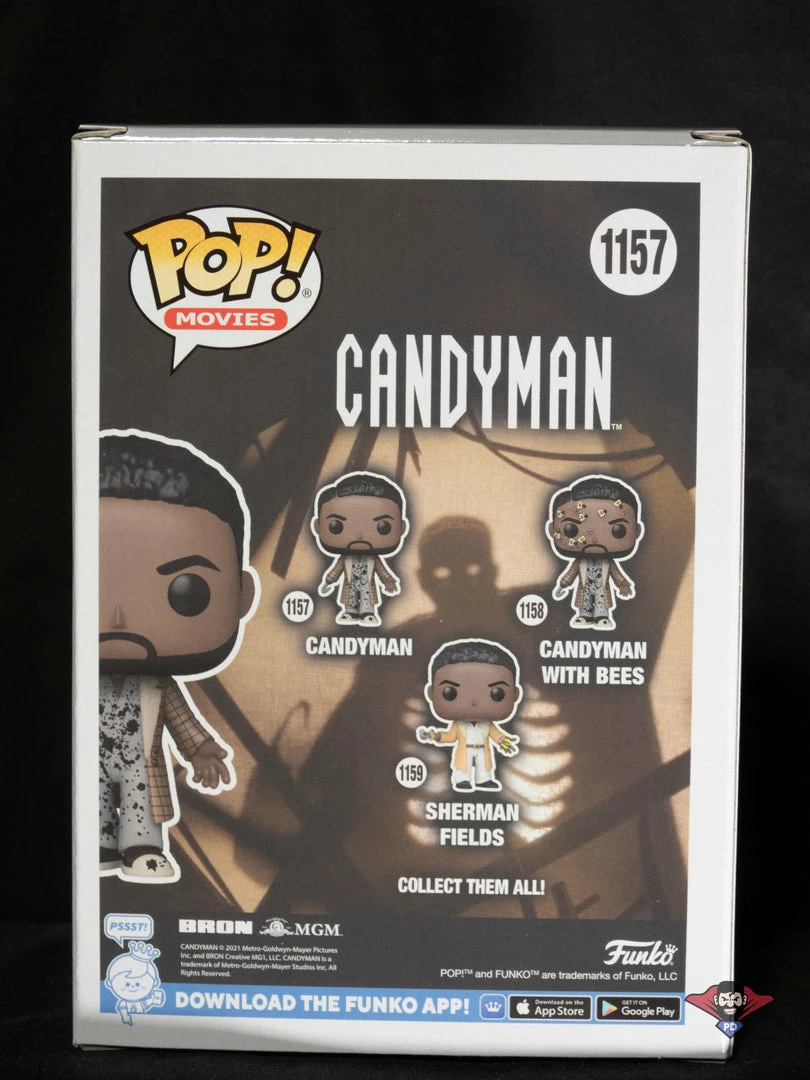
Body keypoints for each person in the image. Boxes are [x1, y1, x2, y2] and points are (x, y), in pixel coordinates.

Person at [98, 430, 258, 881]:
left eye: (186, 591)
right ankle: (98, 845)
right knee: (90, 803)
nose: (119, 617)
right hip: (87, 761)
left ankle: (142, 848)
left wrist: (201, 751)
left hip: (141, 764)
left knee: (141, 807)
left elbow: (181, 721)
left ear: (241, 595)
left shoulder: (159, 685)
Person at [417, 638, 522, 792]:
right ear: (431, 693)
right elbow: (450, 737)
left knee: (484, 767)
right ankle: (462, 780)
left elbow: (496, 735)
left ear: (515, 694)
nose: (473, 702)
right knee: (462, 767)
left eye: (496, 693)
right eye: (450, 693)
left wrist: (504, 742)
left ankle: (484, 780)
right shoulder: (458, 725)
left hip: (482, 749)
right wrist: (434, 736)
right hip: (464, 749)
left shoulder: (488, 725)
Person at [545, 474, 644, 630]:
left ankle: (602, 617)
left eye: (618, 530)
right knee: (585, 602)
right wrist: (562, 586)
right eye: (571, 529)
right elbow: (570, 574)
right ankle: (584, 616)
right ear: (552, 530)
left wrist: (623, 585)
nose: (594, 539)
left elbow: (617, 575)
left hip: (602, 589)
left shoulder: (608, 563)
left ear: (637, 531)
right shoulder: (580, 562)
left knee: (600, 602)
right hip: (584, 588)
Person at [311, 471, 409, 626]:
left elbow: (382, 571)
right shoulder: (345, 558)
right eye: (336, 526)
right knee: (350, 599)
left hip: (367, 585)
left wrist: (388, 581)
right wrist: (328, 582)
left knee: (366, 599)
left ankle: (368, 613)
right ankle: (350, 612)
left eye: (383, 527)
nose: (360, 535)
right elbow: (336, 570)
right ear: (317, 526)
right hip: (350, 584)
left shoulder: (373, 559)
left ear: (402, 528)